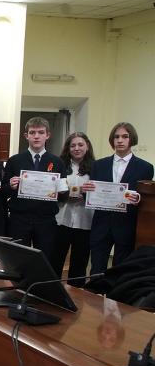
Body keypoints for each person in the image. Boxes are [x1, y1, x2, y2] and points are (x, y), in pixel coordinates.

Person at [86, 122, 154, 274]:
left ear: (132, 139)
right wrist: (86, 191)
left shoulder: (145, 167)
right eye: (116, 137)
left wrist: (138, 199)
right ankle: (96, 290)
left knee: (120, 271)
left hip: (126, 225)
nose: (120, 140)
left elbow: (145, 198)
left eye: (125, 136)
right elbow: (92, 194)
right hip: (101, 224)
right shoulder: (98, 165)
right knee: (96, 269)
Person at [2, 116, 68, 261]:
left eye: (41, 132)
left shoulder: (57, 162)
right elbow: (3, 191)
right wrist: (10, 186)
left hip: (46, 220)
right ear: (26, 136)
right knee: (18, 260)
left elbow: (63, 197)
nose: (36, 136)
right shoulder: (14, 160)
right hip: (19, 219)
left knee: (44, 260)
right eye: (32, 132)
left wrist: (63, 191)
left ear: (47, 135)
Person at [50, 132, 95, 286]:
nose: (77, 148)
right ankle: (51, 292)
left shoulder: (96, 167)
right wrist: (63, 194)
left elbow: (101, 192)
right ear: (68, 148)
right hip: (61, 220)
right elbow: (50, 190)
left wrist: (87, 194)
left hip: (85, 221)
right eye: (73, 145)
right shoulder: (59, 165)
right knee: (55, 260)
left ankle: (76, 295)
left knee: (79, 263)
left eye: (80, 145)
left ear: (87, 146)